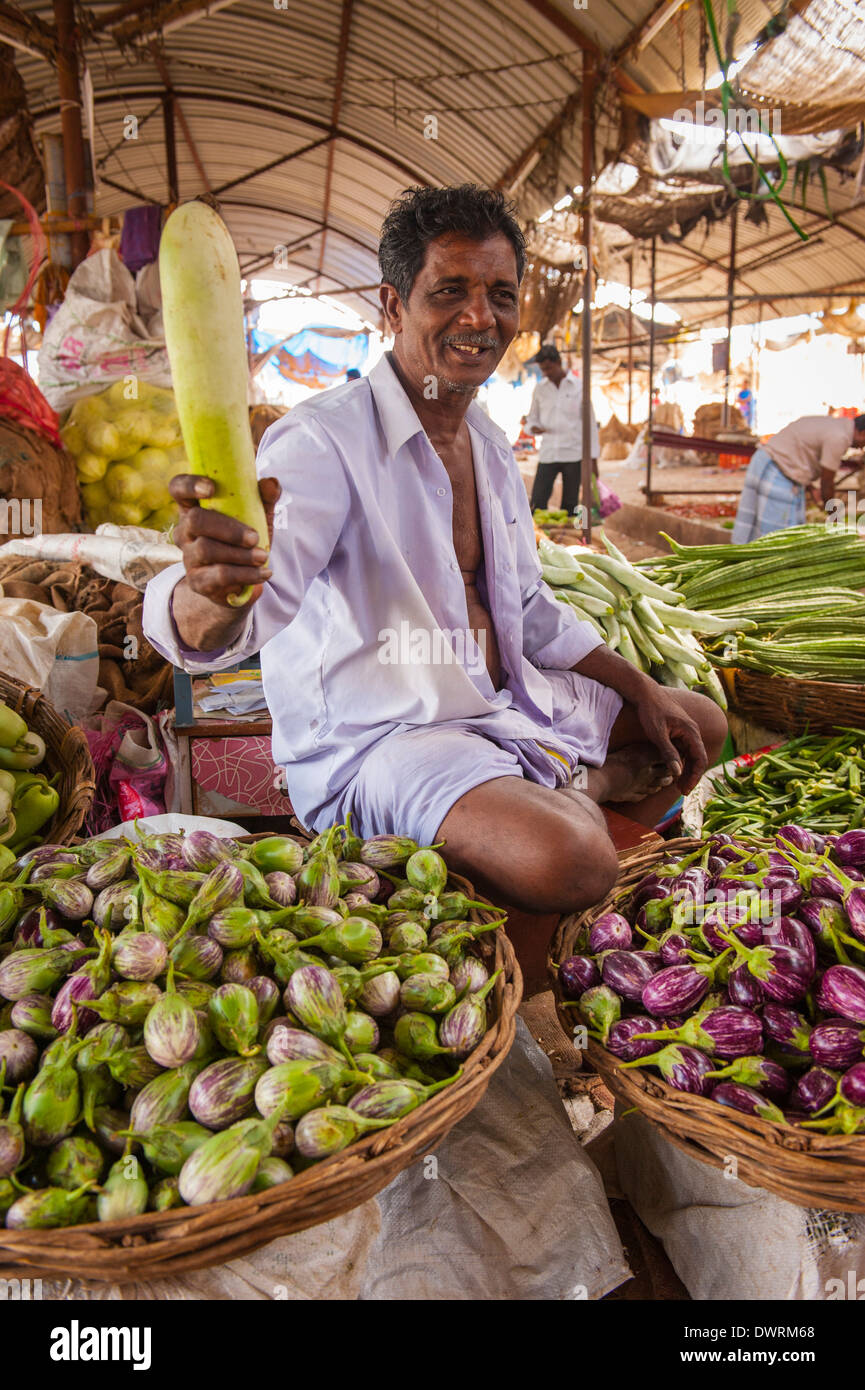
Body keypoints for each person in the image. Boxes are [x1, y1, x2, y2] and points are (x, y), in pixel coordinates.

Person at [144, 184, 726, 917]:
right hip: (387, 743)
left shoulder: (485, 440)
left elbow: (526, 608)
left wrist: (637, 687)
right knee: (573, 861)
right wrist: (208, 591)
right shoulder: (322, 441)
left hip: (502, 705)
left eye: (499, 294)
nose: (479, 317)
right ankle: (566, 825)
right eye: (449, 290)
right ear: (393, 306)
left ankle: (572, 805)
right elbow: (238, 612)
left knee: (695, 722)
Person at [732, 411, 865, 542]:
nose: (862, 448)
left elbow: (801, 450)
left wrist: (811, 487)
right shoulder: (839, 437)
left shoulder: (836, 425)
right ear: (862, 433)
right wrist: (837, 521)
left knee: (769, 533)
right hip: (775, 469)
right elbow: (827, 484)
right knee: (777, 538)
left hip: (769, 463)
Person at [524, 344, 599, 515]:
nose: (547, 373)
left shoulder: (579, 387)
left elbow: (590, 425)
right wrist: (533, 428)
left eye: (549, 368)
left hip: (573, 453)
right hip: (548, 452)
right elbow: (531, 419)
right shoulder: (540, 389)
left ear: (559, 362)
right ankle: (537, 538)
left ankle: (568, 538)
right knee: (537, 501)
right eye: (543, 369)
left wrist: (593, 459)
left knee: (571, 504)